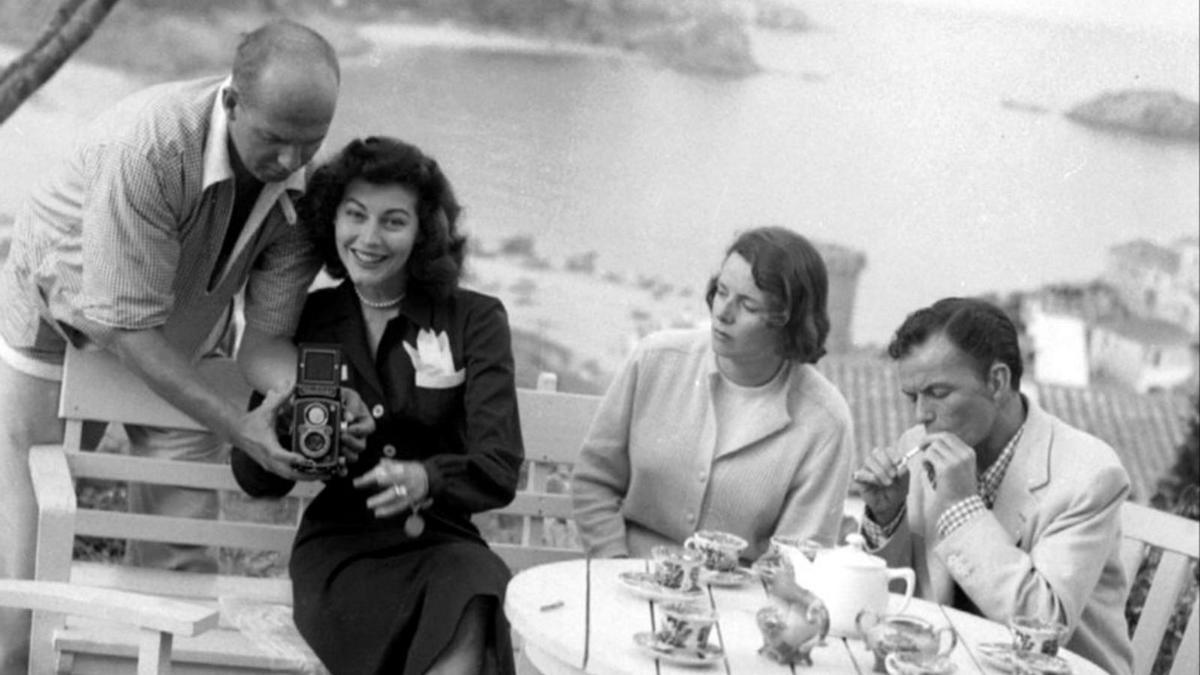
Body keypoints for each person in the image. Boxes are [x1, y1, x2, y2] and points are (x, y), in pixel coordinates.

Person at [0, 20, 365, 673]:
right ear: (230, 102)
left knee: (179, 544)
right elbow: (124, 326)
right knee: (22, 544)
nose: (291, 162)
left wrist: (302, 396)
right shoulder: (151, 144)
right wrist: (234, 423)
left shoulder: (307, 191)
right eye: (275, 140)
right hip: (57, 319)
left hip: (177, 338)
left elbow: (268, 337)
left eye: (310, 142)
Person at [231, 136, 523, 675]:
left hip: (444, 541)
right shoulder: (311, 318)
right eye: (355, 215)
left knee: (478, 589)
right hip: (342, 553)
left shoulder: (475, 320)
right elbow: (257, 479)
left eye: (393, 221)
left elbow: (500, 466)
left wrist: (427, 478)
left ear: (424, 231)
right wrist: (295, 428)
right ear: (331, 220)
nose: (368, 238)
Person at [853, 297, 1133, 675]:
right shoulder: (918, 447)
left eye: (938, 393)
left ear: (997, 381)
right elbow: (898, 601)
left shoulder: (1090, 474)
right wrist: (887, 518)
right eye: (912, 396)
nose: (921, 415)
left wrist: (962, 509)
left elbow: (1043, 628)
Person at [572, 226, 854, 561]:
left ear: (788, 324)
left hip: (740, 603)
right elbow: (594, 482)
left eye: (748, 305)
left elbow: (797, 556)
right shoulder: (654, 360)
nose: (723, 313)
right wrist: (614, 565)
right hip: (624, 578)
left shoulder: (825, 422)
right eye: (721, 291)